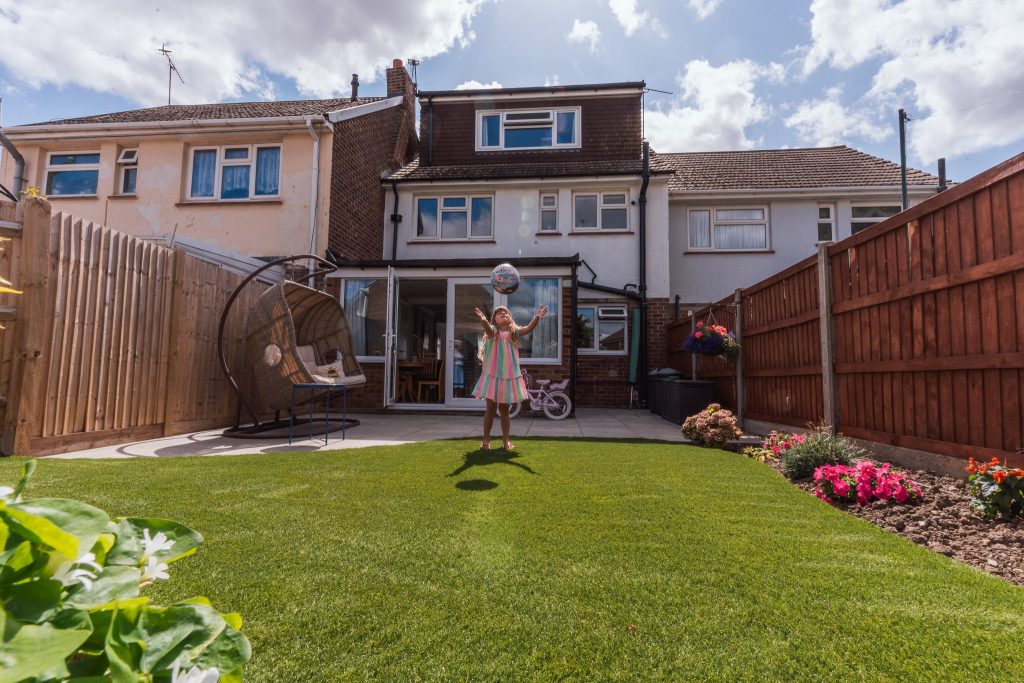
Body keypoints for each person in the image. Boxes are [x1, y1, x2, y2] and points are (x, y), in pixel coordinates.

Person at [472, 304, 548, 449]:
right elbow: (487, 329)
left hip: (507, 378)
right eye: (499, 312)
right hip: (493, 376)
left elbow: (529, 328)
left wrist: (537, 316)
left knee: (505, 411)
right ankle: (486, 442)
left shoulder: (514, 332)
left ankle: (506, 441)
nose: (502, 313)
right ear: (494, 319)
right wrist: (483, 320)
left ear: (510, 318)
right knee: (490, 409)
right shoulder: (493, 332)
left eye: (505, 312)